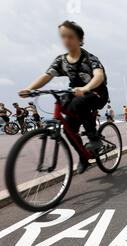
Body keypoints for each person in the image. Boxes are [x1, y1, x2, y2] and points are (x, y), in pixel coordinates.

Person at [18, 20, 109, 174]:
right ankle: (83, 157)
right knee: (68, 129)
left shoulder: (89, 58)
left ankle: (94, 138)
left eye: (70, 37)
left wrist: (86, 87)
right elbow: (47, 75)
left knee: (79, 102)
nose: (66, 40)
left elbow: (98, 76)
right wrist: (30, 88)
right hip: (76, 94)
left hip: (96, 93)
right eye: (63, 37)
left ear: (80, 40)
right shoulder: (61, 60)